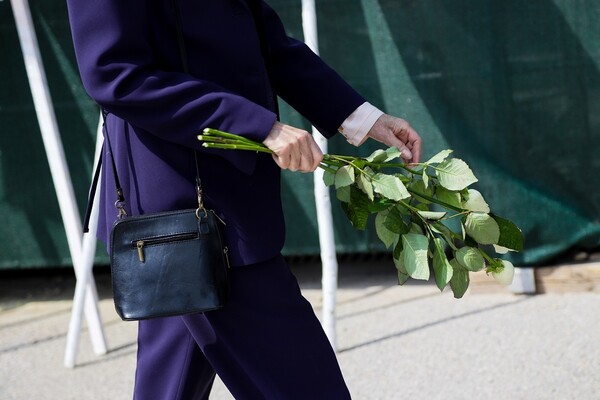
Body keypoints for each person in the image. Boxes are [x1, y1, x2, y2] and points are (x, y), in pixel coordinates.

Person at [66, 0, 422, 399]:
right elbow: (115, 74)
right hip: (187, 207)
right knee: (306, 383)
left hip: (202, 212)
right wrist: (257, 126)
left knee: (169, 381)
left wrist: (361, 118)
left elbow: (261, 36)